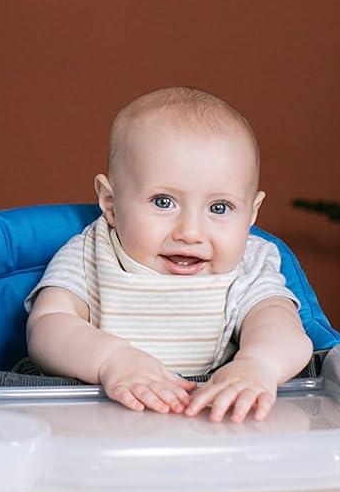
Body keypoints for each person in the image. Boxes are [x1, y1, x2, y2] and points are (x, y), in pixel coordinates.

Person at [25, 87, 312, 422]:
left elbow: (283, 328)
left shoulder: (250, 264)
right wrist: (111, 360)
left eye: (219, 207)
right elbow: (47, 326)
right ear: (111, 204)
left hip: (213, 420)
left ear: (251, 212)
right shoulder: (92, 252)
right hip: (104, 419)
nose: (190, 232)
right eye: (163, 202)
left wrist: (258, 365)